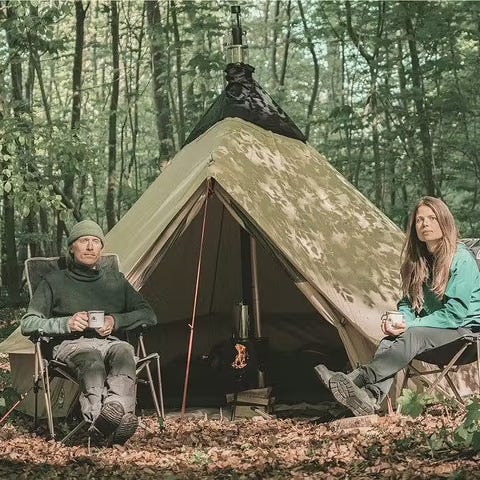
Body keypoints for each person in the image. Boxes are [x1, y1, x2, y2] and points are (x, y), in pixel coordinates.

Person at [314, 196, 480, 416]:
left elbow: (455, 315)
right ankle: (369, 398)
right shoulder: (418, 262)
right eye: (419, 220)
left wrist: (410, 325)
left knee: (412, 335)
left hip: (465, 336)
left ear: (444, 222)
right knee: (392, 339)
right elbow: (408, 302)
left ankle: (357, 378)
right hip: (435, 335)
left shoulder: (461, 259)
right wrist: (401, 320)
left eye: (432, 218)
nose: (425, 224)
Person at [21, 219, 157, 444]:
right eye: (84, 240)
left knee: (124, 351)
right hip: (71, 346)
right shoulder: (53, 281)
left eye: (96, 241)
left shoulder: (116, 281)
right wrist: (66, 323)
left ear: (101, 249)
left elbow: (148, 315)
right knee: (91, 358)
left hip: (110, 342)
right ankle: (103, 421)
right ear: (71, 248)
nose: (91, 246)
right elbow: (29, 323)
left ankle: (113, 413)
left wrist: (115, 321)